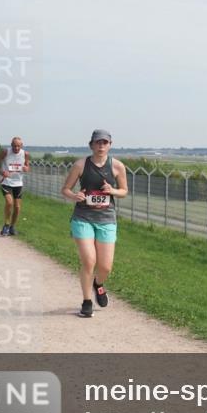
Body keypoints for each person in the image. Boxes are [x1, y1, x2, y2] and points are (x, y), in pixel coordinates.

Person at [60, 130, 128, 318]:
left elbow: (124, 191)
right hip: (83, 217)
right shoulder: (81, 165)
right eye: (98, 143)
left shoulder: (117, 166)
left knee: (105, 267)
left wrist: (112, 190)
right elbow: (65, 189)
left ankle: (98, 284)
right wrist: (74, 195)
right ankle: (86, 301)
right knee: (89, 261)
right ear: (91, 145)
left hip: (106, 219)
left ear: (110, 145)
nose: (101, 146)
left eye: (105, 142)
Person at [0, 137, 31, 236]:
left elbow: (27, 166)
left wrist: (26, 168)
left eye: (18, 146)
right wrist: (2, 172)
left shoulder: (25, 154)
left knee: (17, 207)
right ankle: (6, 225)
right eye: (14, 146)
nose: (16, 148)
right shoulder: (5, 152)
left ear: (21, 146)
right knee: (9, 203)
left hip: (18, 182)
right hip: (6, 181)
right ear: (11, 145)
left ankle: (12, 227)